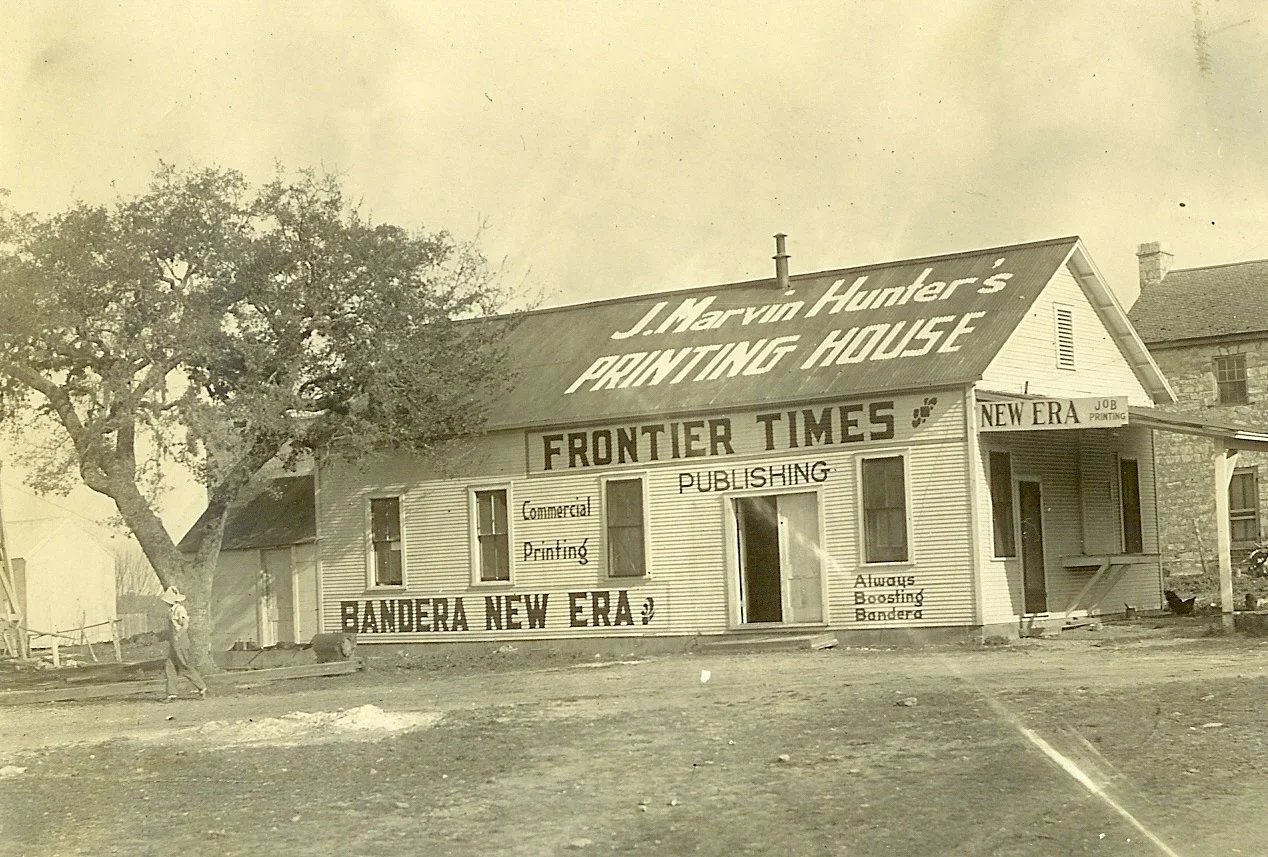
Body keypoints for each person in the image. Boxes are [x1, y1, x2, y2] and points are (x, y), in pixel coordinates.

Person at [160, 586, 207, 701]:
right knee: (169, 666)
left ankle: (202, 687)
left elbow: (185, 625)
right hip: (174, 642)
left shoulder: (179, 609)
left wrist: (177, 636)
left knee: (184, 666)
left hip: (180, 641)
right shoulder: (171, 611)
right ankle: (172, 693)